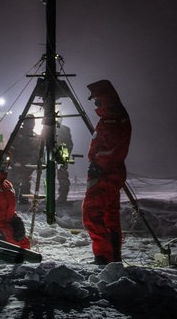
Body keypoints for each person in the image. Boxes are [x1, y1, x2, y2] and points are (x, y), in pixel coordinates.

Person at [82, 80, 131, 265]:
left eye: (96, 100)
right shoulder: (115, 115)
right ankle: (113, 257)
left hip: (104, 173)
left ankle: (103, 257)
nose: (95, 103)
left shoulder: (112, 118)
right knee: (109, 215)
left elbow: (109, 147)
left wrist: (97, 165)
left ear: (103, 98)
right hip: (112, 172)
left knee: (91, 214)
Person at [8, 115, 41, 201]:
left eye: (33, 122)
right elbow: (11, 149)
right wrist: (14, 162)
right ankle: (13, 199)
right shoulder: (18, 134)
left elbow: (37, 151)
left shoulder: (35, 136)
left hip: (28, 163)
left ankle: (23, 199)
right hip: (18, 162)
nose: (32, 124)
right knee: (16, 182)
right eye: (30, 122)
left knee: (26, 181)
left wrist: (35, 162)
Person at [56, 123, 74, 204]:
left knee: (62, 175)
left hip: (62, 152)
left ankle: (62, 197)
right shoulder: (48, 128)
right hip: (52, 152)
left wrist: (65, 155)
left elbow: (69, 144)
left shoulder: (65, 129)